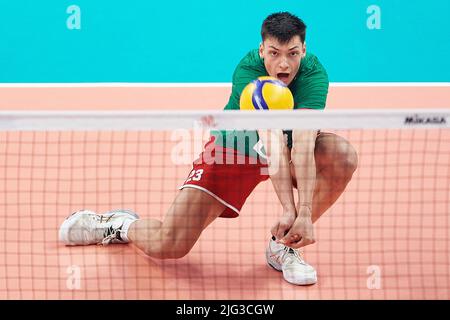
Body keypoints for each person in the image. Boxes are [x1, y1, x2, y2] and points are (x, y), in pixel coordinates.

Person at [59, 12, 358, 286]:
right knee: (169, 244)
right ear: (261, 50)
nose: (284, 64)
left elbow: (302, 143)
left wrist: (303, 213)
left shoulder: (313, 74)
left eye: (293, 54)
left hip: (289, 150)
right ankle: (119, 224)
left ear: (303, 51)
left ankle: (283, 246)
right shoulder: (248, 71)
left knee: (341, 156)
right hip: (235, 151)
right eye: (274, 53)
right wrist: (288, 208)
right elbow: (272, 141)